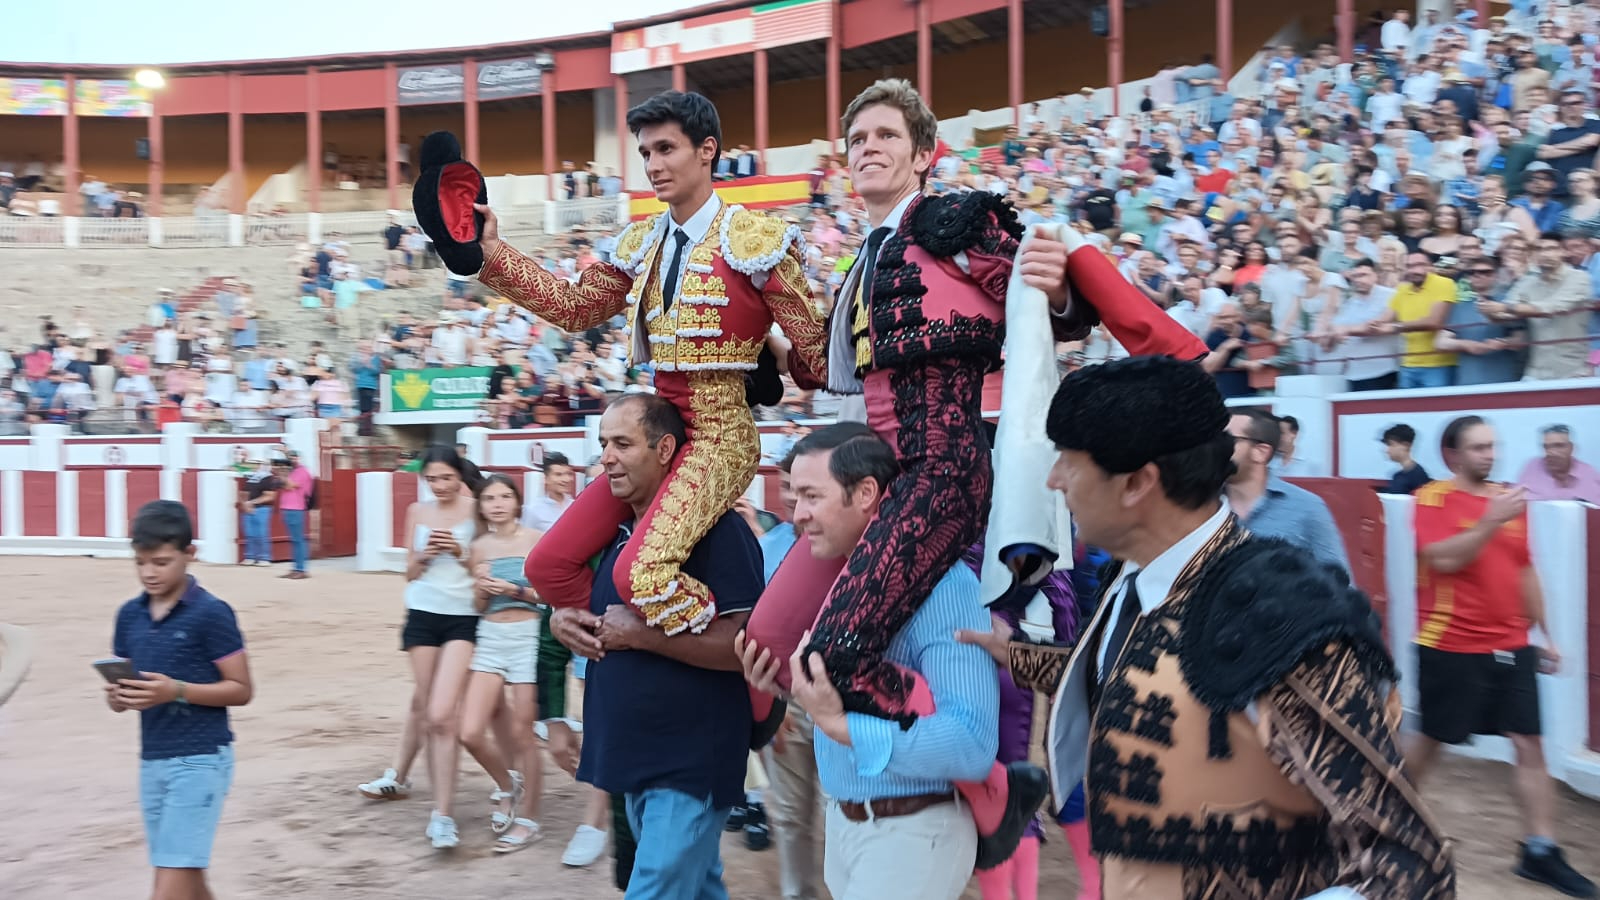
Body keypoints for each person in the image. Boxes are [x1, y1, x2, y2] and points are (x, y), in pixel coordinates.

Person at [744, 77, 1209, 869]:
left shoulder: (958, 222)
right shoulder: (862, 260)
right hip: (884, 479)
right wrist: (753, 334)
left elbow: (1048, 301)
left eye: (886, 136)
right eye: (857, 140)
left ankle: (992, 786)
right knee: (765, 645)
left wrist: (1065, 284)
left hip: (945, 470)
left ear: (925, 154)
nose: (868, 150)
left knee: (838, 656)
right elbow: (830, 372)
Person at [978, 356, 1454, 898]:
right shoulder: (1132, 577)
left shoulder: (1282, 617)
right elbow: (1130, 672)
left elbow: (1407, 862)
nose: (1054, 479)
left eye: (1068, 461)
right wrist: (1013, 653)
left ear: (1137, 483)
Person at [474, 90, 828, 645]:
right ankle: (606, 649)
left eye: (667, 149)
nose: (654, 166)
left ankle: (739, 674)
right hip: (657, 430)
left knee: (642, 574)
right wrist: (491, 253)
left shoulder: (756, 240)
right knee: (547, 566)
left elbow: (818, 360)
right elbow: (576, 307)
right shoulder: (641, 241)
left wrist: (788, 348)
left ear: (707, 150)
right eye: (645, 153)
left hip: (720, 436)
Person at [740, 424, 1000, 900]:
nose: (797, 515)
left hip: (915, 831)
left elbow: (972, 744)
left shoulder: (946, 588)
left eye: (812, 496)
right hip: (850, 824)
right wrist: (791, 689)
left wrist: (842, 727)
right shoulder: (836, 580)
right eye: (795, 497)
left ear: (865, 493)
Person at [547, 393, 764, 897]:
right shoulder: (615, 533)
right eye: (603, 444)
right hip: (637, 753)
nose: (606, 457)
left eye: (622, 443)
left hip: (691, 757)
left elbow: (744, 645)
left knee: (656, 888)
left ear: (665, 449)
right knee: (695, 885)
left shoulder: (720, 530)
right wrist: (562, 620)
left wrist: (640, 635)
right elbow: (597, 616)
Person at [1406, 416, 1594, 898]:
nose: (1489, 455)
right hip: (1450, 641)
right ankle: (1381, 823)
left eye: (1493, 446)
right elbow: (1442, 558)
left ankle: (1540, 850)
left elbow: (1524, 569)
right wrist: (1491, 520)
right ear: (1453, 454)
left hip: (1511, 643)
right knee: (1432, 738)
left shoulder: (1511, 498)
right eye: (1478, 448)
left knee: (1529, 742)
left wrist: (1545, 634)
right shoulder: (1432, 497)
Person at [107, 500, 253, 900]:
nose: (149, 573)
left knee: (169, 884)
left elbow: (241, 689)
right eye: (140, 562)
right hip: (152, 760)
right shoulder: (129, 615)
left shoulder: (211, 613)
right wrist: (119, 697)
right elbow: (126, 690)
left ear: (190, 554)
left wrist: (178, 691)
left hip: (200, 759)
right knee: (185, 878)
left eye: (161, 562)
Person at [356, 446, 496, 850]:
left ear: (459, 476)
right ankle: (425, 796)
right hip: (422, 614)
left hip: (463, 616)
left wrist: (458, 551)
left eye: (446, 478)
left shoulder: (476, 509)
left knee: (439, 713)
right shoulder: (417, 511)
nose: (439, 486)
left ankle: (443, 811)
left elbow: (483, 566)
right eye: (432, 479)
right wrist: (426, 554)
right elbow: (408, 573)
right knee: (427, 706)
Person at [459, 474, 545, 853]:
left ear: (517, 501)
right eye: (489, 497)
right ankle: (507, 784)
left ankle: (527, 820)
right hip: (491, 637)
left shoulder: (536, 541)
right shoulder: (478, 547)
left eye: (504, 496)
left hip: (528, 636)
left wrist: (514, 590)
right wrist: (480, 589)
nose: (496, 503)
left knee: (525, 734)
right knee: (470, 732)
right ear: (481, 505)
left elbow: (547, 597)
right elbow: (477, 606)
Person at [1224, 408, 1350, 570]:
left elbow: (1338, 581)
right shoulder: (1198, 504)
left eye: (1226, 439)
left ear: (1260, 452)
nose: (1214, 447)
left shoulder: (1307, 508)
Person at [1518, 423, 1600, 502]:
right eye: (1547, 447)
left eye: (1559, 446)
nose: (1551, 452)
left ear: (1571, 448)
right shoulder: (1532, 468)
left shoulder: (1589, 475)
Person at [271, 451, 313, 580]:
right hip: (287, 508)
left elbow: (289, 485)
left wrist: (280, 474)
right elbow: (277, 484)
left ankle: (301, 569)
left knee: (298, 540)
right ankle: (296, 568)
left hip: (296, 508)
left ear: (299, 458)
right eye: (289, 457)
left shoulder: (302, 471)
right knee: (294, 540)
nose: (291, 459)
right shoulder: (292, 472)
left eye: (293, 457)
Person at [237, 458, 279, 566]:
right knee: (249, 533)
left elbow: (270, 496)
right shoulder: (249, 477)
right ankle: (250, 556)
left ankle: (264, 558)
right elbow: (242, 493)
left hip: (262, 508)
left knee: (261, 534)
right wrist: (245, 504)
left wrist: (251, 503)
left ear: (260, 465)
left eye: (255, 464)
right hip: (248, 508)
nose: (252, 466)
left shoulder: (267, 478)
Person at [521, 451, 576, 531]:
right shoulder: (533, 510)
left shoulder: (575, 505)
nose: (566, 479)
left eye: (568, 474)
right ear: (546, 478)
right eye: (558, 474)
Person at [1381, 423, 1431, 494]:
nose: (1387, 450)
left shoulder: (1418, 476)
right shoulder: (1397, 476)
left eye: (1391, 444)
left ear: (1406, 445)